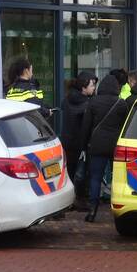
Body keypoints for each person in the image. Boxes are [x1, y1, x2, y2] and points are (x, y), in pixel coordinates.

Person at [79, 74, 128, 223]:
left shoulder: (93, 103)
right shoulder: (121, 103)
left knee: (95, 178)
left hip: (97, 145)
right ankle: (120, 208)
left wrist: (83, 146)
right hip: (116, 147)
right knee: (118, 179)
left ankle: (93, 210)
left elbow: (85, 127)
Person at [61, 72, 96, 210]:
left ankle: (68, 201)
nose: (94, 87)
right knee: (81, 174)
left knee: (69, 172)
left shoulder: (68, 99)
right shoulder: (86, 104)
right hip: (80, 143)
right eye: (92, 85)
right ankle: (79, 200)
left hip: (68, 141)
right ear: (83, 87)